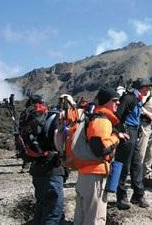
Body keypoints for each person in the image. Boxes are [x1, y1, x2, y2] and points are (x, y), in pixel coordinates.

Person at [74, 87, 127, 225]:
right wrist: (116, 137)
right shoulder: (102, 121)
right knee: (95, 217)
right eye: (114, 100)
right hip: (95, 174)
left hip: (86, 172)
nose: (118, 103)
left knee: (81, 216)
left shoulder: (94, 118)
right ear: (105, 102)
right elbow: (101, 149)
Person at [25, 95, 65, 225]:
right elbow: (58, 141)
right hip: (52, 168)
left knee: (41, 206)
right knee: (53, 211)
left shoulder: (29, 118)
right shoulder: (53, 116)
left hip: (36, 167)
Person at [114, 78, 149, 209]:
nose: (147, 90)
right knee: (124, 164)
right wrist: (120, 132)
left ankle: (138, 195)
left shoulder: (138, 99)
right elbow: (118, 115)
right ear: (139, 88)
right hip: (128, 132)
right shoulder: (129, 98)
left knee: (136, 163)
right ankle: (121, 197)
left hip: (134, 131)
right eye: (145, 87)